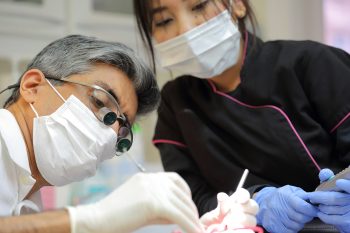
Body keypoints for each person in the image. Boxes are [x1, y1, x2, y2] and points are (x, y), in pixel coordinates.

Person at [0, 34, 257, 233]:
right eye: (101, 103)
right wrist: (91, 219)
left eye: (122, 130)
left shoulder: (29, 200)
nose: (110, 135)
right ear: (33, 87)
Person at [133, 0, 350, 232]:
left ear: (237, 5)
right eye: (164, 20)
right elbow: (190, 200)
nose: (186, 29)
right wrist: (253, 204)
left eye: (199, 6)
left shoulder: (313, 63)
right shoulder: (176, 102)